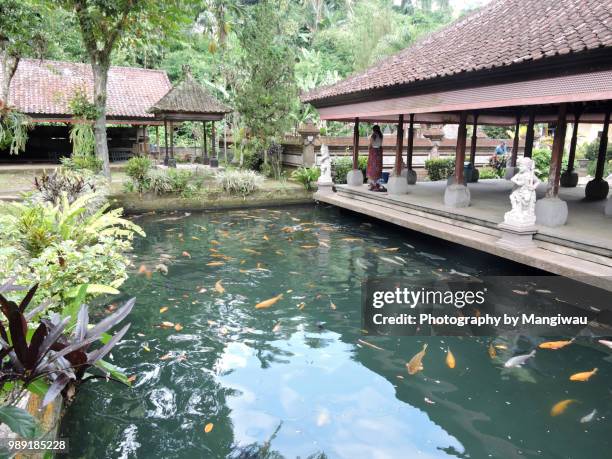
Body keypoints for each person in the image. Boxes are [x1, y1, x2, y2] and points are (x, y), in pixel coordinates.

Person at [367, 125, 385, 191]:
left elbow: (370, 144)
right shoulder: (381, 135)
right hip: (379, 152)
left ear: (374, 130)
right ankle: (376, 183)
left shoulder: (374, 135)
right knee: (378, 166)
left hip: (374, 152)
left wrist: (368, 148)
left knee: (372, 166)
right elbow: (380, 144)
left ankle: (373, 184)